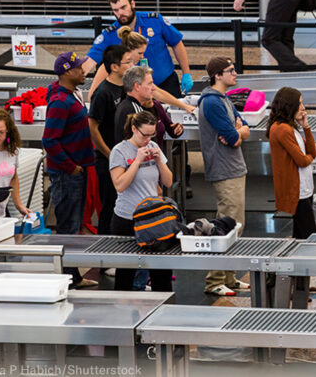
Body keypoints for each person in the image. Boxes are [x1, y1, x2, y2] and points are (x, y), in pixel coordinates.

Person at [42, 51, 97, 288]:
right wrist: (69, 166)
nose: (84, 71)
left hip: (75, 170)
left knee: (73, 226)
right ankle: (67, 279)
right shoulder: (60, 102)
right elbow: (49, 140)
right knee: (68, 227)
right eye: (78, 68)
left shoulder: (71, 95)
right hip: (67, 175)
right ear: (67, 72)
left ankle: (73, 276)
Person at [197, 57, 250, 296]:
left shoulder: (224, 99)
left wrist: (240, 131)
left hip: (234, 166)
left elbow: (244, 128)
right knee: (225, 226)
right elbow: (233, 137)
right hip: (224, 168)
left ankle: (229, 276)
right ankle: (214, 280)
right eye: (230, 70)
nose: (235, 73)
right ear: (217, 75)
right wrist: (238, 132)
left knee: (236, 225)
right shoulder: (211, 102)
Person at [82, 0, 193, 98]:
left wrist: (186, 73)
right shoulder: (110, 35)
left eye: (123, 7)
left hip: (166, 84)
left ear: (132, 4)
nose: (120, 13)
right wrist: (75, 79)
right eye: (116, 10)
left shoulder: (154, 21)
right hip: (135, 91)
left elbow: (176, 43)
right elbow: (90, 60)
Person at [109, 111, 174, 292]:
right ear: (133, 129)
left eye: (151, 135)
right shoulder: (119, 151)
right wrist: (137, 161)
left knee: (161, 273)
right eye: (144, 135)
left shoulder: (153, 146)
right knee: (126, 272)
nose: (147, 140)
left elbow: (168, 182)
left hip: (153, 219)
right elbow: (119, 185)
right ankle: (122, 306)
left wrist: (159, 161)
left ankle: (163, 304)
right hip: (128, 219)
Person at [267, 87, 316, 300]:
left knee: (300, 238)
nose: (303, 107)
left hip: (305, 188)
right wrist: (308, 158)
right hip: (297, 192)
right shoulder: (281, 130)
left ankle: (299, 284)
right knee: (308, 238)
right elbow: (303, 160)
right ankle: (291, 284)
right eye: (300, 103)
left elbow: (311, 153)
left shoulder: (291, 127)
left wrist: (306, 127)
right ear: (290, 105)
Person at [87, 26, 195, 113]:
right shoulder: (110, 67)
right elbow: (92, 96)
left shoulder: (133, 70)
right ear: (128, 49)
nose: (142, 56)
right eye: (140, 53)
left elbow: (155, 91)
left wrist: (183, 106)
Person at [88, 45, 134, 236]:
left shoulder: (127, 88)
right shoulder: (103, 93)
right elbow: (93, 128)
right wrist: (110, 154)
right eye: (128, 62)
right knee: (109, 207)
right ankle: (105, 247)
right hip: (108, 160)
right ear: (114, 67)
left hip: (127, 158)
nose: (132, 65)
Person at [114, 66, 184, 148]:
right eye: (150, 84)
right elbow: (139, 148)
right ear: (137, 86)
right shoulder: (132, 110)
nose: (153, 88)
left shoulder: (128, 106)